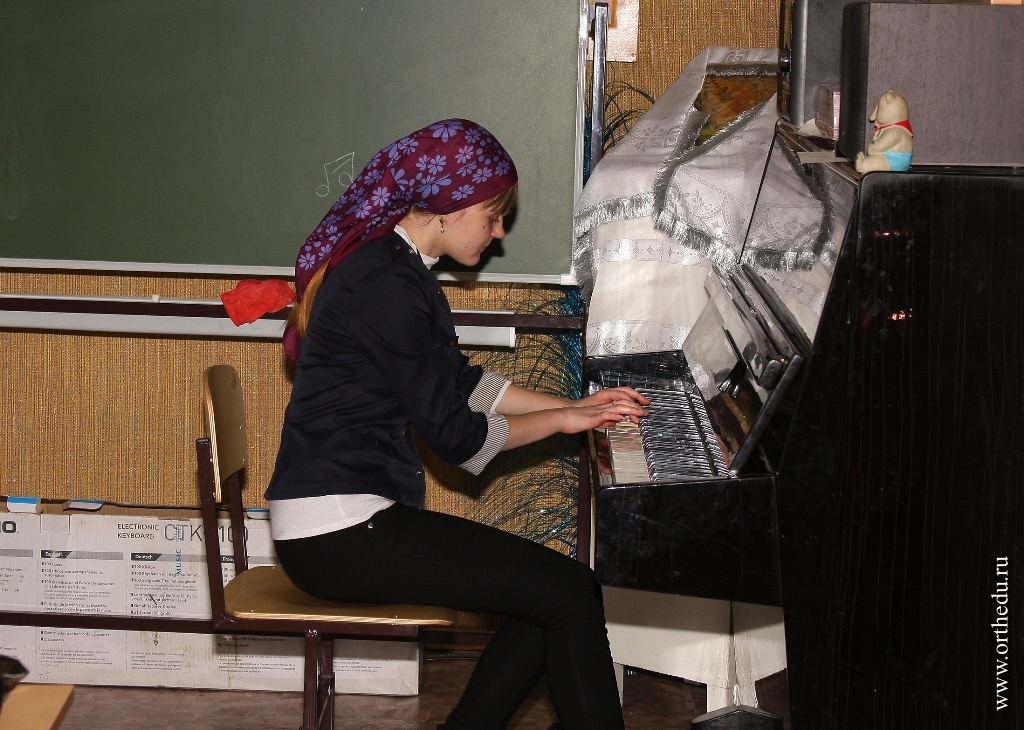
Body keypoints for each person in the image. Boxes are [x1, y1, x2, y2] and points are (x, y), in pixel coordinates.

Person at [266, 119, 649, 730]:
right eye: (493, 217)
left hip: (341, 517)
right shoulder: (386, 282)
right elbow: (457, 437)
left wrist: (574, 408)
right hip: (337, 530)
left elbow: (461, 383)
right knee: (567, 593)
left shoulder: (393, 267)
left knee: (554, 594)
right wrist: (561, 421)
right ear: (449, 207)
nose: (499, 234)